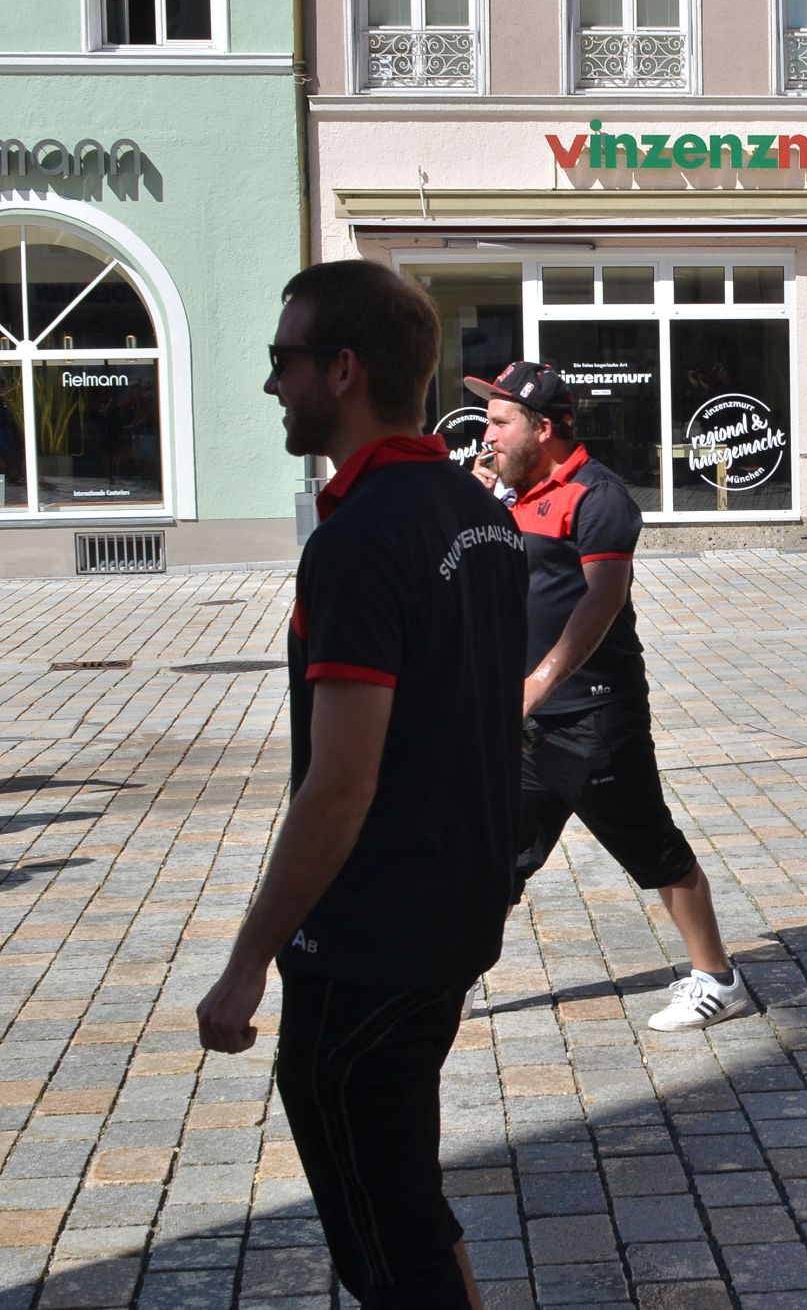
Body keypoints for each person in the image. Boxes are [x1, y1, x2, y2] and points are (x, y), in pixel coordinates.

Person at [197, 260, 527, 1308]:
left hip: (368, 943)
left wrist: (247, 960)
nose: (271, 383)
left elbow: (340, 786)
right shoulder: (476, 513)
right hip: (454, 911)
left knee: (389, 1247)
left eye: (281, 359)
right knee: (406, 1200)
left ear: (342, 369)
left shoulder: (360, 541)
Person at [470, 361, 750, 1031]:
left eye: (500, 421)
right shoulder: (503, 494)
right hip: (523, 723)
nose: (487, 435)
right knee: (494, 854)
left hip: (593, 715)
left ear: (543, 427)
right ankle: (455, 972)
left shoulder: (599, 497)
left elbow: (602, 601)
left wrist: (537, 684)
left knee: (653, 847)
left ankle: (718, 979)